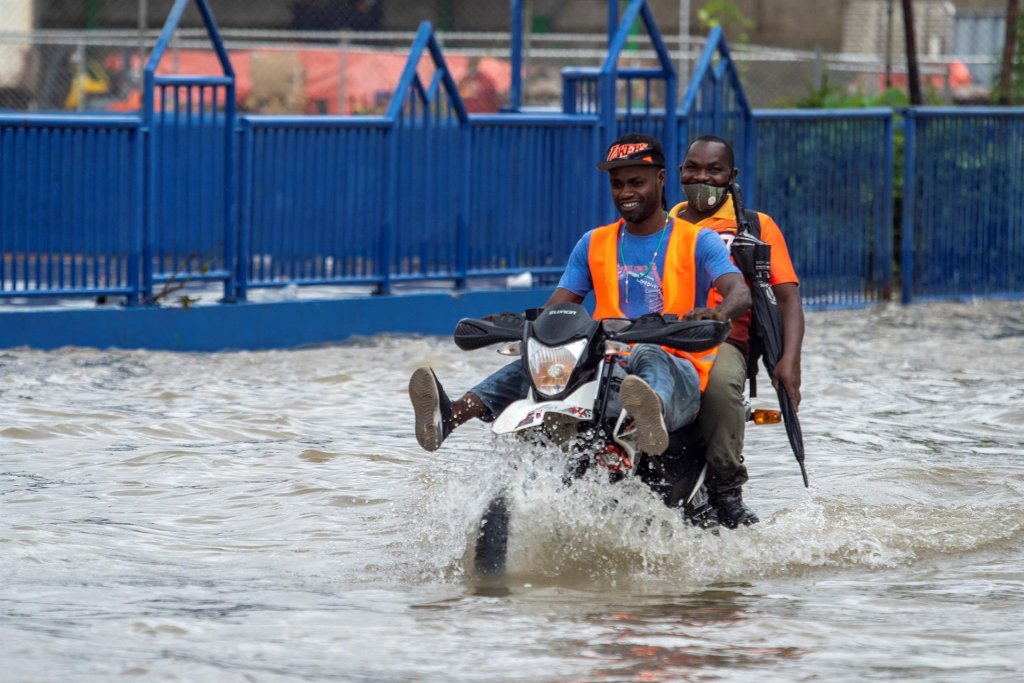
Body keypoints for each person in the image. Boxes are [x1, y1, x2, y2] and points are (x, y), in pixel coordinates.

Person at [409, 133, 751, 471]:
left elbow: (739, 292)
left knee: (649, 354)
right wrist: (514, 323)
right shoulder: (593, 243)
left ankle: (647, 419)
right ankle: (450, 417)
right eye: (617, 184)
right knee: (537, 360)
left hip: (676, 366)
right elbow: (554, 311)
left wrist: (716, 312)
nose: (626, 193)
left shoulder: (699, 240)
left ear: (661, 179)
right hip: (604, 366)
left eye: (636, 182)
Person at [668, 135, 805, 528]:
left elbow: (788, 298)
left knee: (720, 385)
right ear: (679, 173)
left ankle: (727, 487)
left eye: (714, 170)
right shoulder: (664, 223)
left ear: (732, 176)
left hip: (724, 339)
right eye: (693, 168)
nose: (702, 177)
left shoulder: (755, 226)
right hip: (661, 335)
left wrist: (789, 360)